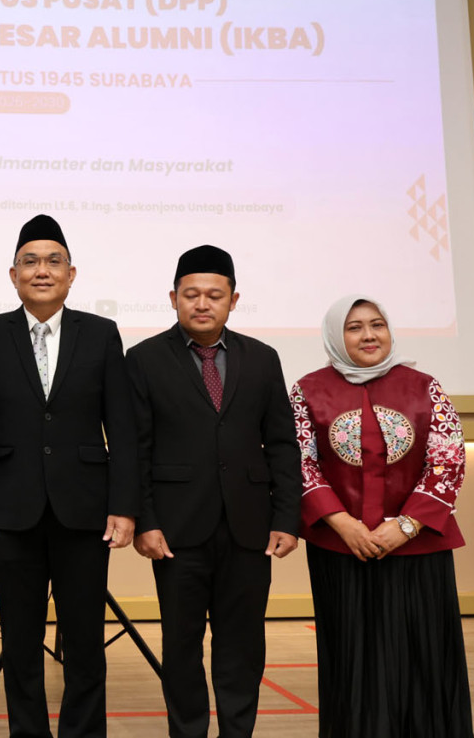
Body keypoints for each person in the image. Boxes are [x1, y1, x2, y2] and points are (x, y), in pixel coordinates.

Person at [0, 214, 138, 737]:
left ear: (72, 274)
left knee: (84, 642)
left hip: (85, 511)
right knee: (20, 640)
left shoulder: (101, 333)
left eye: (53, 261)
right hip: (9, 513)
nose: (42, 271)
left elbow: (121, 429)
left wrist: (124, 506)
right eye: (30, 262)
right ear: (13, 275)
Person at [126, 245, 301, 738]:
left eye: (214, 295)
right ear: (173, 298)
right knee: (181, 647)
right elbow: (135, 449)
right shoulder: (142, 360)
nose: (202, 304)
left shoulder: (263, 359)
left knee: (242, 645)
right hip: (177, 530)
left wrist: (287, 518)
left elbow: (283, 445)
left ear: (233, 300)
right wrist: (146, 520)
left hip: (250, 527)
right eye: (191, 295)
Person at [289, 295, 473, 737]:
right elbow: (298, 462)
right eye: (354, 327)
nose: (369, 335)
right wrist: (343, 523)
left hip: (418, 547)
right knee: (353, 657)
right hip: (341, 547)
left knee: (425, 655)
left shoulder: (424, 386)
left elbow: (448, 460)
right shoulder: (307, 390)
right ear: (336, 335)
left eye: (377, 325)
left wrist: (405, 526)